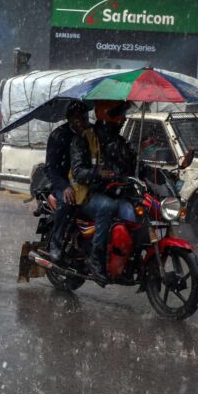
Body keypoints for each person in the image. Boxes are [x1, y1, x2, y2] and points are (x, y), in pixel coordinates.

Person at [70, 111, 120, 287]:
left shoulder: (114, 140)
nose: (122, 120)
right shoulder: (82, 139)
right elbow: (78, 172)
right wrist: (97, 173)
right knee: (107, 206)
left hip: (107, 190)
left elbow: (125, 161)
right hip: (84, 193)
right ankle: (96, 256)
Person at [44, 100, 91, 263]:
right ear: (69, 118)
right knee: (67, 202)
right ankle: (56, 244)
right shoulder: (58, 136)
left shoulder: (91, 134)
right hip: (61, 183)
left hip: (85, 183)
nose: (82, 122)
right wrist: (65, 186)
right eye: (78, 118)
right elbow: (50, 169)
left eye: (84, 117)